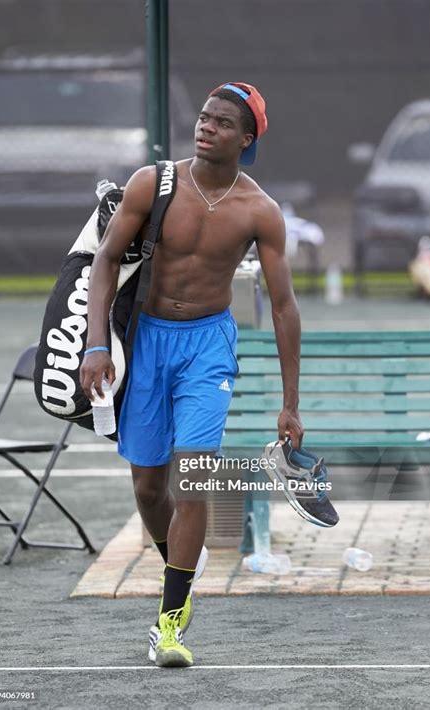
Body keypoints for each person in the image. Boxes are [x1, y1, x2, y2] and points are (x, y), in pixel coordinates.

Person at [80, 82, 304, 668]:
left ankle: (171, 623)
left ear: (246, 138)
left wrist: (290, 404)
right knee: (149, 489)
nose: (206, 128)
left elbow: (283, 307)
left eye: (222, 123)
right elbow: (104, 260)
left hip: (209, 348)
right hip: (148, 341)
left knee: (193, 480)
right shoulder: (152, 183)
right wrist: (95, 343)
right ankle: (180, 562)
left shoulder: (259, 210)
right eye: (204, 118)